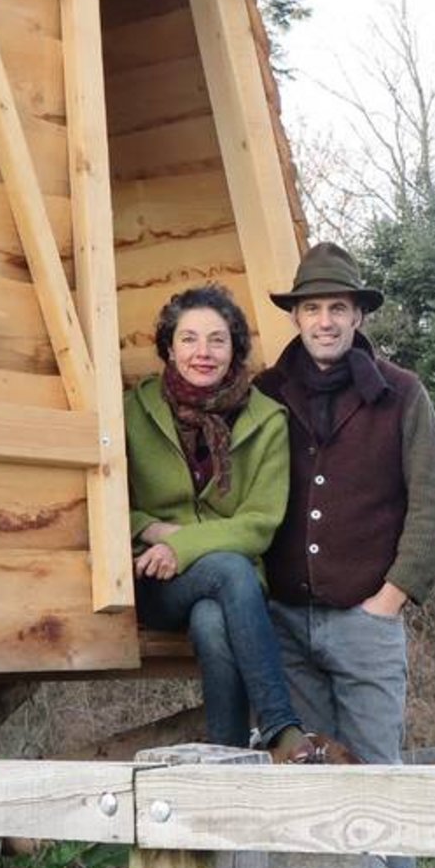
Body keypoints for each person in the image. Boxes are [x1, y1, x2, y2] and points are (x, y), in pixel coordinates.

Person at [256, 242, 435, 868]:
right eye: (312, 308)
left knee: (379, 777)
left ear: (357, 315)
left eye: (337, 307)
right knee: (311, 779)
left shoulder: (401, 395)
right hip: (285, 626)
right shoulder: (264, 394)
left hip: (368, 620)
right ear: (296, 316)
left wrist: (391, 598)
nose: (325, 321)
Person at [124, 284, 354, 764]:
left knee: (213, 617)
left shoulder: (267, 419)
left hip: (233, 588)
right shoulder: (133, 412)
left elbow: (259, 522)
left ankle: (225, 760)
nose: (202, 353)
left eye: (217, 340)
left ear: (235, 350)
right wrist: (152, 532)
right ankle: (280, 725)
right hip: (154, 578)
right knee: (230, 568)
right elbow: (110, 506)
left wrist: (182, 542)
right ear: (168, 347)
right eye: (188, 339)